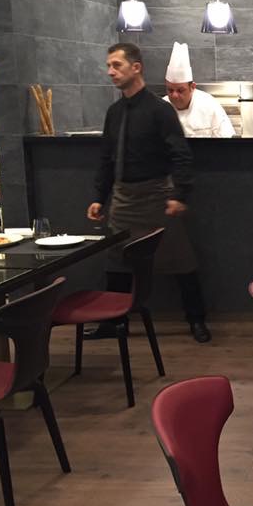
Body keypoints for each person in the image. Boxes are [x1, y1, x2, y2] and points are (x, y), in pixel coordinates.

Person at [88, 42, 212, 344]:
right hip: (122, 198)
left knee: (181, 260)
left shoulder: (160, 110)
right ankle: (114, 322)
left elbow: (181, 155)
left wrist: (179, 195)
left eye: (117, 65)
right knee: (116, 262)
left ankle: (197, 320)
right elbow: (106, 159)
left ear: (136, 67)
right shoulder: (114, 112)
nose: (110, 71)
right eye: (109, 66)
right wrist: (99, 197)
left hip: (157, 197)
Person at [164, 43, 235, 138]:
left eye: (180, 90)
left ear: (192, 87)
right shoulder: (162, 107)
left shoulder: (209, 104)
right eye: (170, 90)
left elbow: (226, 138)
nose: (174, 95)